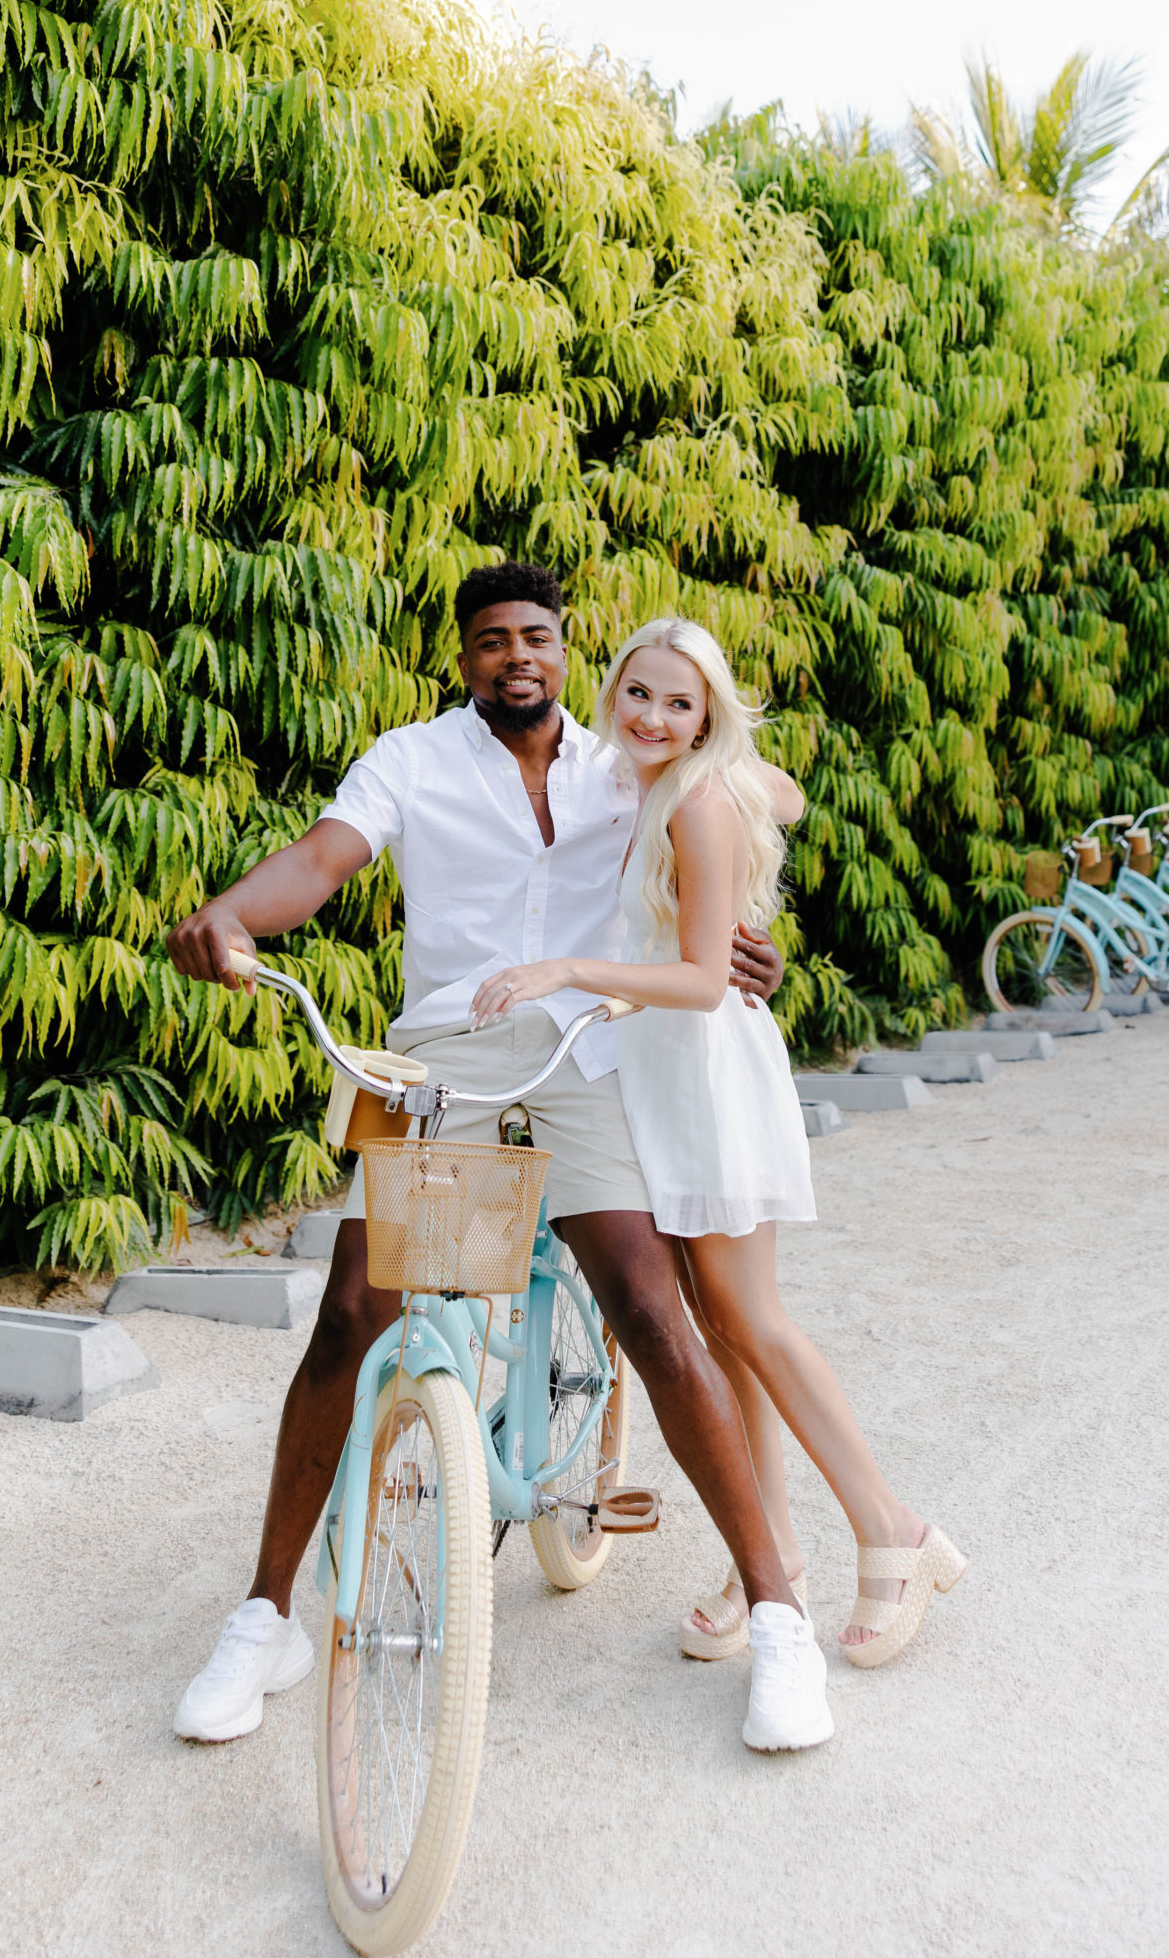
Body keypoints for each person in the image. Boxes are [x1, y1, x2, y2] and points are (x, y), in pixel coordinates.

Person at [164, 563, 833, 1755]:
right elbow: (320, 861)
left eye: (536, 635)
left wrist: (752, 938)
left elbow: (751, 789)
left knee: (652, 1307)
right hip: (451, 1065)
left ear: (568, 651)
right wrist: (230, 915)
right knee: (356, 1313)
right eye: (490, 640)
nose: (516, 654)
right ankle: (265, 1617)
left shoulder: (623, 756)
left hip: (585, 1060)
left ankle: (781, 1617)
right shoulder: (412, 761)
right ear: (464, 658)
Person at [471, 615, 965, 1680]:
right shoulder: (641, 772)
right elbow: (781, 790)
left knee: (752, 1319)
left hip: (703, 1071)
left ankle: (896, 1530)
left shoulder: (694, 795)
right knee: (720, 1332)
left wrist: (567, 969)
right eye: (638, 693)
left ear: (710, 716)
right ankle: (771, 1549)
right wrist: (735, 781)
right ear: (612, 694)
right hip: (654, 1074)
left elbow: (700, 977)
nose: (653, 715)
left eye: (680, 702)